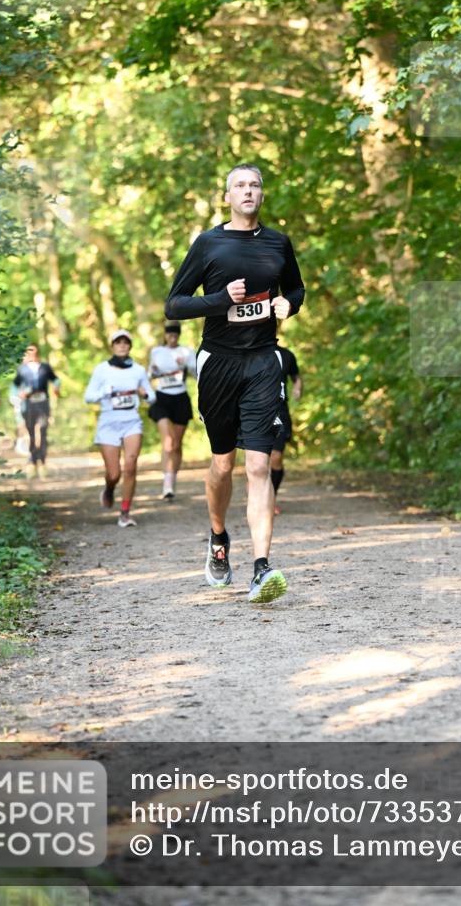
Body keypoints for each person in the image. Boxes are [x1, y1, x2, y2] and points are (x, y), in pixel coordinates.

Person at [165, 162, 305, 604]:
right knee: (223, 464)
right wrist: (220, 300)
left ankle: (262, 568)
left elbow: (296, 290)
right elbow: (174, 304)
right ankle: (218, 538)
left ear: (262, 194)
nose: (248, 191)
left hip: (264, 361)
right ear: (227, 197)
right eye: (239, 186)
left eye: (255, 185)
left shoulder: (279, 244)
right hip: (219, 364)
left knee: (259, 465)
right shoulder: (209, 243)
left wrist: (288, 304)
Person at [84, 329, 155, 528]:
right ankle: (109, 488)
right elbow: (88, 396)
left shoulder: (138, 370)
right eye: (118, 342)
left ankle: (125, 512)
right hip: (108, 423)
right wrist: (103, 392)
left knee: (131, 465)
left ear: (130, 346)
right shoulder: (102, 370)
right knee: (114, 473)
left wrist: (145, 394)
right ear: (112, 346)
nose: (122, 345)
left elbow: (152, 396)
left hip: (131, 421)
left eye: (125, 342)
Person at [148, 321, 197, 500]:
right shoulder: (157, 352)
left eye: (175, 334)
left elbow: (197, 373)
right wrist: (152, 373)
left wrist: (188, 366)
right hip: (161, 398)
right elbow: (149, 374)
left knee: (176, 444)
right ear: (165, 335)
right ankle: (166, 483)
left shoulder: (187, 352)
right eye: (169, 334)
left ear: (179, 335)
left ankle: (172, 477)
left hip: (180, 399)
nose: (172, 337)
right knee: (168, 441)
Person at [12, 344, 60, 477]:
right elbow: (15, 387)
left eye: (34, 351)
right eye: (28, 351)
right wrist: (20, 394)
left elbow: (55, 380)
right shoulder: (22, 369)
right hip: (29, 405)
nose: (31, 354)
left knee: (43, 432)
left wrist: (56, 388)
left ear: (37, 352)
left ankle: (43, 463)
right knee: (31, 434)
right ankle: (33, 462)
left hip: (43, 403)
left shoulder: (45, 367)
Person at [270, 343, 302, 515]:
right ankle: (259, 496)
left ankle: (271, 496)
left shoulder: (287, 355)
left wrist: (297, 387)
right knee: (258, 461)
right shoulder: (250, 351)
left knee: (276, 457)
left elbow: (296, 376)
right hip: (255, 412)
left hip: (280, 412)